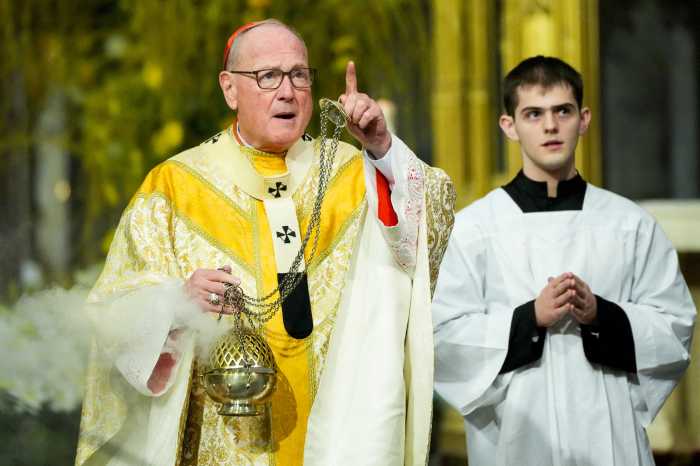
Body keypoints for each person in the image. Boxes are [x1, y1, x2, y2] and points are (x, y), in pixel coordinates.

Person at [75, 19, 455, 466]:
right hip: (226, 439)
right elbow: (111, 310)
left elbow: (432, 219)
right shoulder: (175, 188)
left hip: (342, 435)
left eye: (299, 74)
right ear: (229, 89)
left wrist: (381, 145)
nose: (289, 91)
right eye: (268, 76)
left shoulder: (355, 174)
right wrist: (176, 302)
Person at [432, 55, 696, 466]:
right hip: (516, 437)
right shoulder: (474, 229)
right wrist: (529, 319)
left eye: (562, 111)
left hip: (612, 438)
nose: (550, 126)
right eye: (533, 114)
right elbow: (445, 338)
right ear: (509, 126)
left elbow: (674, 326)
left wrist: (601, 316)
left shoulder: (630, 224)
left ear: (584, 119)